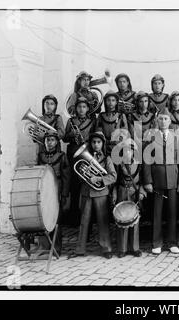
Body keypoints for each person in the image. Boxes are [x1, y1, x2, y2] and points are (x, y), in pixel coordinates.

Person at [143, 108, 179, 255]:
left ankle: (172, 242)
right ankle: (157, 242)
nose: (163, 121)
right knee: (157, 212)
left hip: (173, 178)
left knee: (172, 212)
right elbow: (147, 160)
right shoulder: (151, 137)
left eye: (166, 119)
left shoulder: (177, 137)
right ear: (156, 120)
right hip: (157, 179)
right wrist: (147, 181)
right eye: (160, 119)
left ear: (170, 121)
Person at [69, 131, 117, 259]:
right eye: (94, 142)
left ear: (102, 144)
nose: (96, 145)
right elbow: (79, 174)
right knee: (84, 221)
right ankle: (80, 249)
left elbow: (113, 177)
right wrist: (85, 176)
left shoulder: (107, 159)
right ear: (90, 143)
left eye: (98, 142)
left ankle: (106, 248)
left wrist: (98, 179)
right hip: (86, 192)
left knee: (103, 220)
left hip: (101, 193)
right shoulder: (85, 157)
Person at [36, 130, 71, 255]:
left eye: (52, 140)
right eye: (47, 140)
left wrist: (65, 194)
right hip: (45, 189)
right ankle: (43, 246)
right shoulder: (41, 156)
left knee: (56, 218)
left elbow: (67, 177)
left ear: (56, 142)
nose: (49, 143)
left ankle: (56, 246)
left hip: (58, 188)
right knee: (43, 216)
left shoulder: (62, 156)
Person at [63, 97, 95, 226]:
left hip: (87, 153)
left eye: (84, 107)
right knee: (74, 185)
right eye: (79, 107)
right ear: (76, 108)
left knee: (87, 183)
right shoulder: (71, 121)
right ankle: (74, 215)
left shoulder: (92, 121)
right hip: (73, 154)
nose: (81, 109)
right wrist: (71, 135)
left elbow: (95, 136)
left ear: (87, 109)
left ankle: (89, 217)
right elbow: (64, 138)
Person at [112, 139, 147, 258]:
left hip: (134, 192)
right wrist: (115, 194)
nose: (128, 153)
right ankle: (122, 248)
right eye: (125, 150)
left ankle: (135, 248)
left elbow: (143, 180)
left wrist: (141, 192)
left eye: (130, 150)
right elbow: (115, 182)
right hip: (122, 191)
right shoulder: (118, 164)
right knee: (122, 219)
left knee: (134, 220)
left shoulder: (139, 164)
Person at [91, 90, 128, 155]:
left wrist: (119, 140)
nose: (111, 102)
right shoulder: (101, 116)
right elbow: (98, 132)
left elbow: (125, 132)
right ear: (105, 101)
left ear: (116, 102)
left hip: (118, 146)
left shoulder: (121, 116)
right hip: (104, 146)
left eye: (113, 100)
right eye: (108, 100)